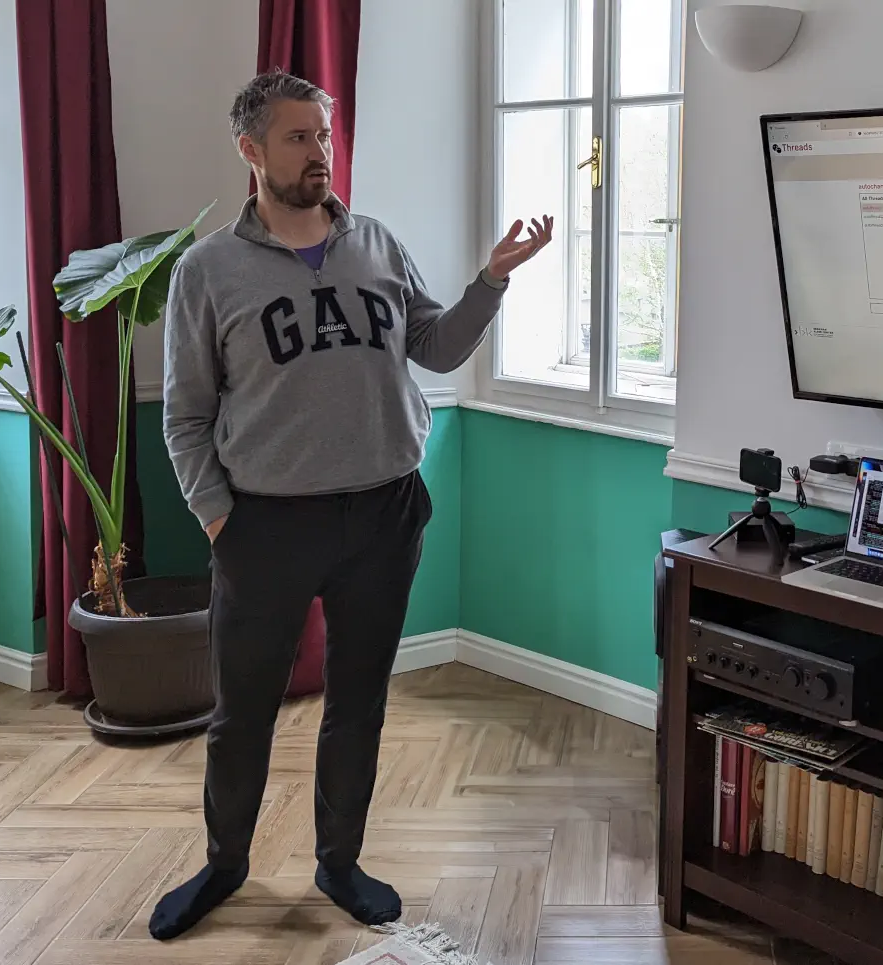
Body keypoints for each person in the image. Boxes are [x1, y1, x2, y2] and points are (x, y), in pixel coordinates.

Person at [151, 68, 553, 941]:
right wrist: (220, 518)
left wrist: (491, 279)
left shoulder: (376, 242)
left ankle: (339, 860)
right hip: (264, 525)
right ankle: (225, 864)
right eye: (299, 138)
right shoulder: (208, 271)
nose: (319, 154)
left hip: (383, 514)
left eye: (324, 137)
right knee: (242, 711)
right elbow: (185, 416)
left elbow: (437, 348)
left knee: (359, 698)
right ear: (250, 151)